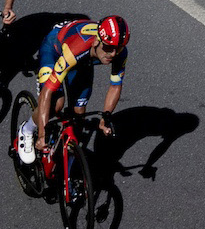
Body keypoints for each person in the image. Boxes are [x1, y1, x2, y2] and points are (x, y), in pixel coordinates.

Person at [18, 14, 128, 163]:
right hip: (55, 50)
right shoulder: (76, 49)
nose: (112, 54)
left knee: (79, 111)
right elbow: (47, 92)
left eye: (118, 48)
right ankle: (27, 129)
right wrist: (42, 135)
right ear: (97, 41)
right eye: (108, 48)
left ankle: (68, 153)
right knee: (56, 105)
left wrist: (106, 117)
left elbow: (115, 85)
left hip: (83, 60)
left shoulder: (119, 53)